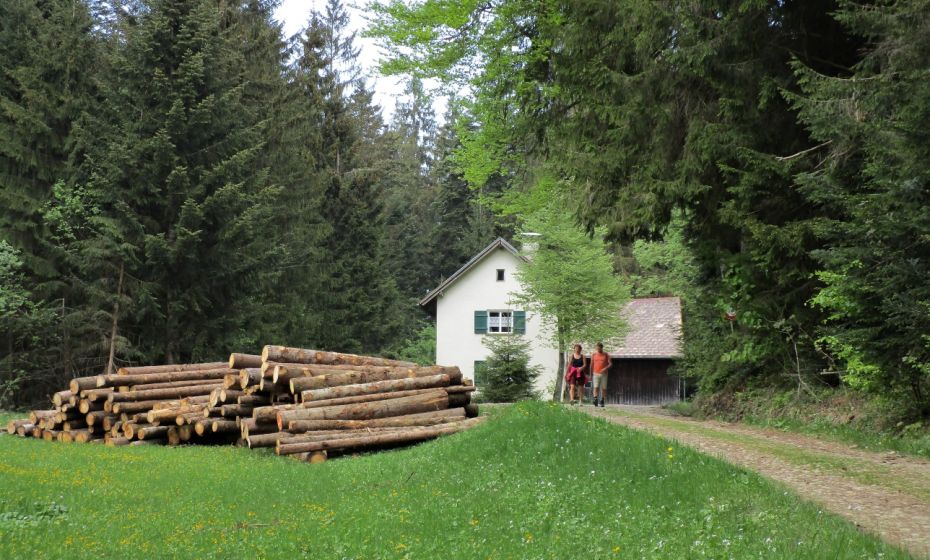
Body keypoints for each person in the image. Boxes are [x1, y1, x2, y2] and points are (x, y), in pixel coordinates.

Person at [590, 342, 612, 407]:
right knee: (595, 387)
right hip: (595, 373)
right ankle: (595, 399)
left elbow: (610, 364)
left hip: (604, 374)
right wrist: (590, 374)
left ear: (602, 348)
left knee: (604, 388)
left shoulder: (606, 354)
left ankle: (602, 400)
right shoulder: (593, 355)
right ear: (596, 348)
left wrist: (605, 368)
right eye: (597, 348)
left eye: (599, 348)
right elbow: (591, 364)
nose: (598, 349)